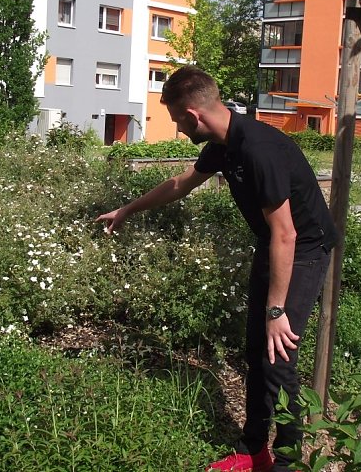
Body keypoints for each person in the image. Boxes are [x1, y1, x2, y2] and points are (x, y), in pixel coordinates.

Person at [96, 66, 337, 472]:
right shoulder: (224, 145)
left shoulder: (259, 148)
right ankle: (253, 450)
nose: (177, 129)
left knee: (277, 357)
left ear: (193, 116)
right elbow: (181, 183)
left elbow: (287, 234)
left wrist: (276, 310)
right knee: (257, 351)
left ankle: (288, 461)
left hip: (303, 249)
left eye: (177, 121)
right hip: (274, 244)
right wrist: (128, 209)